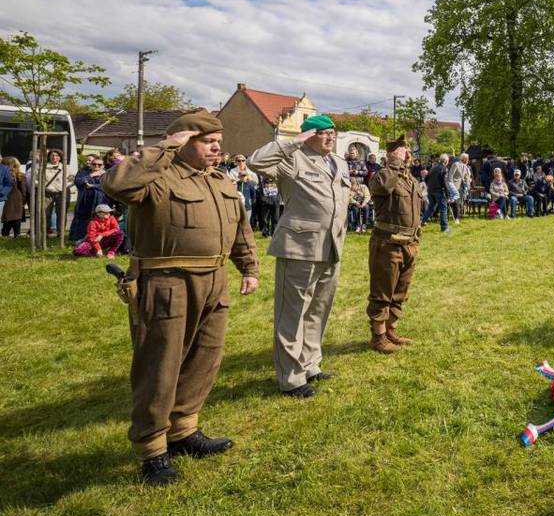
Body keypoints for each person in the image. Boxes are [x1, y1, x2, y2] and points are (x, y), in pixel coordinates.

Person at [101, 110, 259, 486]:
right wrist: (161, 149)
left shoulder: (220, 181)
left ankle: (183, 431)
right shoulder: (156, 178)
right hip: (166, 281)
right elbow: (115, 184)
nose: (216, 146)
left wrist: (249, 268)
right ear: (182, 142)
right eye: (206, 140)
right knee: (161, 364)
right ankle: (152, 450)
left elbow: (240, 228)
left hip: (214, 280)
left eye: (218, 140)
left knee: (204, 358)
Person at [248, 114, 349, 399]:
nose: (330, 137)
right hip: (299, 246)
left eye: (333, 132)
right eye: (323, 133)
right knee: (292, 313)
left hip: (331, 245)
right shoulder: (293, 158)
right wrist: (293, 142)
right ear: (308, 135)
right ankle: (291, 377)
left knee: (319, 309)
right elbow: (256, 161)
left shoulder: (338, 162)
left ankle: (310, 364)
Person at [367, 135, 423, 353]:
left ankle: (391, 330)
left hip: (409, 244)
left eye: (407, 150)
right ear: (392, 154)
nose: (407, 153)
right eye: (402, 150)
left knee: (400, 292)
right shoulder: (383, 176)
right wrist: (394, 164)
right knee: (382, 293)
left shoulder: (409, 179)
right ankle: (378, 337)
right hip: (387, 244)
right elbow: (381, 187)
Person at [70, 155, 107, 242]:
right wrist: (92, 175)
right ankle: (80, 239)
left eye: (99, 165)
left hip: (101, 200)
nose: (97, 166)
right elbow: (78, 182)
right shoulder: (83, 172)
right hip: (84, 201)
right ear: (90, 165)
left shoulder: (107, 174)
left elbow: (109, 186)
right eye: (94, 164)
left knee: (100, 220)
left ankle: (99, 240)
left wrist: (93, 186)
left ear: (103, 166)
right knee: (83, 220)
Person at [420, 153, 452, 233]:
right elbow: (445, 183)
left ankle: (421, 223)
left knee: (431, 208)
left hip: (430, 190)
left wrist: (429, 186)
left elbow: (426, 178)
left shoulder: (433, 167)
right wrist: (448, 195)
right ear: (446, 161)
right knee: (443, 209)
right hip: (439, 191)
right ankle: (444, 228)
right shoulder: (444, 169)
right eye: (448, 161)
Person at [41, 148, 68, 236]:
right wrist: (45, 187)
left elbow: (71, 179)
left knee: (61, 213)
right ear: (49, 157)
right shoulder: (43, 167)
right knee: (46, 213)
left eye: (57, 156)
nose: (54, 157)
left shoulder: (65, 167)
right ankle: (45, 232)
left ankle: (61, 233)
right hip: (47, 193)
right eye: (52, 155)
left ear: (60, 157)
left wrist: (63, 186)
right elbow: (36, 180)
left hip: (61, 193)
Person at [2, 156, 27, 236]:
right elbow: (23, 190)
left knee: (6, 223)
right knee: (17, 221)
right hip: (18, 200)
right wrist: (23, 200)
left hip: (6, 199)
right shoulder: (21, 175)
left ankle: (5, 238)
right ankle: (17, 237)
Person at [448, 152, 471, 223]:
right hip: (454, 186)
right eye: (467, 159)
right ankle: (456, 218)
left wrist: (468, 184)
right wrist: (451, 187)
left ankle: (456, 217)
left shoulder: (465, 167)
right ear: (464, 159)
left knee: (459, 202)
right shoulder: (455, 164)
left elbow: (465, 177)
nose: (468, 160)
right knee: (456, 202)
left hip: (461, 187)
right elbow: (450, 176)